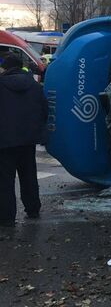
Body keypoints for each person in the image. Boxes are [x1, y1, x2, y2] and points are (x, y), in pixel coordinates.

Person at [0, 53, 48, 228]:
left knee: (5, 180)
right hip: (28, 139)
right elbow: (44, 109)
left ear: (6, 68)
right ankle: (33, 209)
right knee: (28, 175)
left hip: (4, 141)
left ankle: (6, 218)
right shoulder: (34, 85)